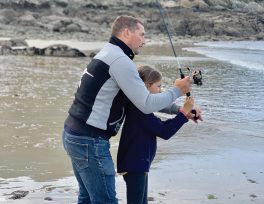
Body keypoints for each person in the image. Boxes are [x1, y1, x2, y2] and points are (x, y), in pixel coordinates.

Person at [62, 15, 193, 204]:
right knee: (105, 201)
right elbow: (146, 103)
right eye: (141, 35)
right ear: (126, 32)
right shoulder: (120, 61)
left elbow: (139, 97)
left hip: (74, 134)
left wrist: (179, 110)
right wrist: (177, 90)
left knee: (88, 199)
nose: (144, 41)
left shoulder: (108, 53)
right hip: (89, 141)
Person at [117, 65, 195, 204]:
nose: (161, 91)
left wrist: (184, 113)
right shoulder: (140, 111)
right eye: (158, 86)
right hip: (134, 165)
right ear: (146, 86)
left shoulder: (140, 108)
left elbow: (160, 126)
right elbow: (165, 132)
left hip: (138, 164)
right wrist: (183, 113)